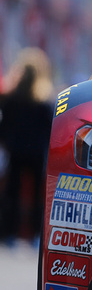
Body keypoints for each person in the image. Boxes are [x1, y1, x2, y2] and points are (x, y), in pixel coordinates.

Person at [0, 47, 54, 244]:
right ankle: (35, 237)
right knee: (38, 197)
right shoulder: (45, 102)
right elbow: (49, 130)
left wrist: (7, 143)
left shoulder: (11, 98)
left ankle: (9, 234)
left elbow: (3, 126)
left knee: (11, 194)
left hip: (15, 151)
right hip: (36, 153)